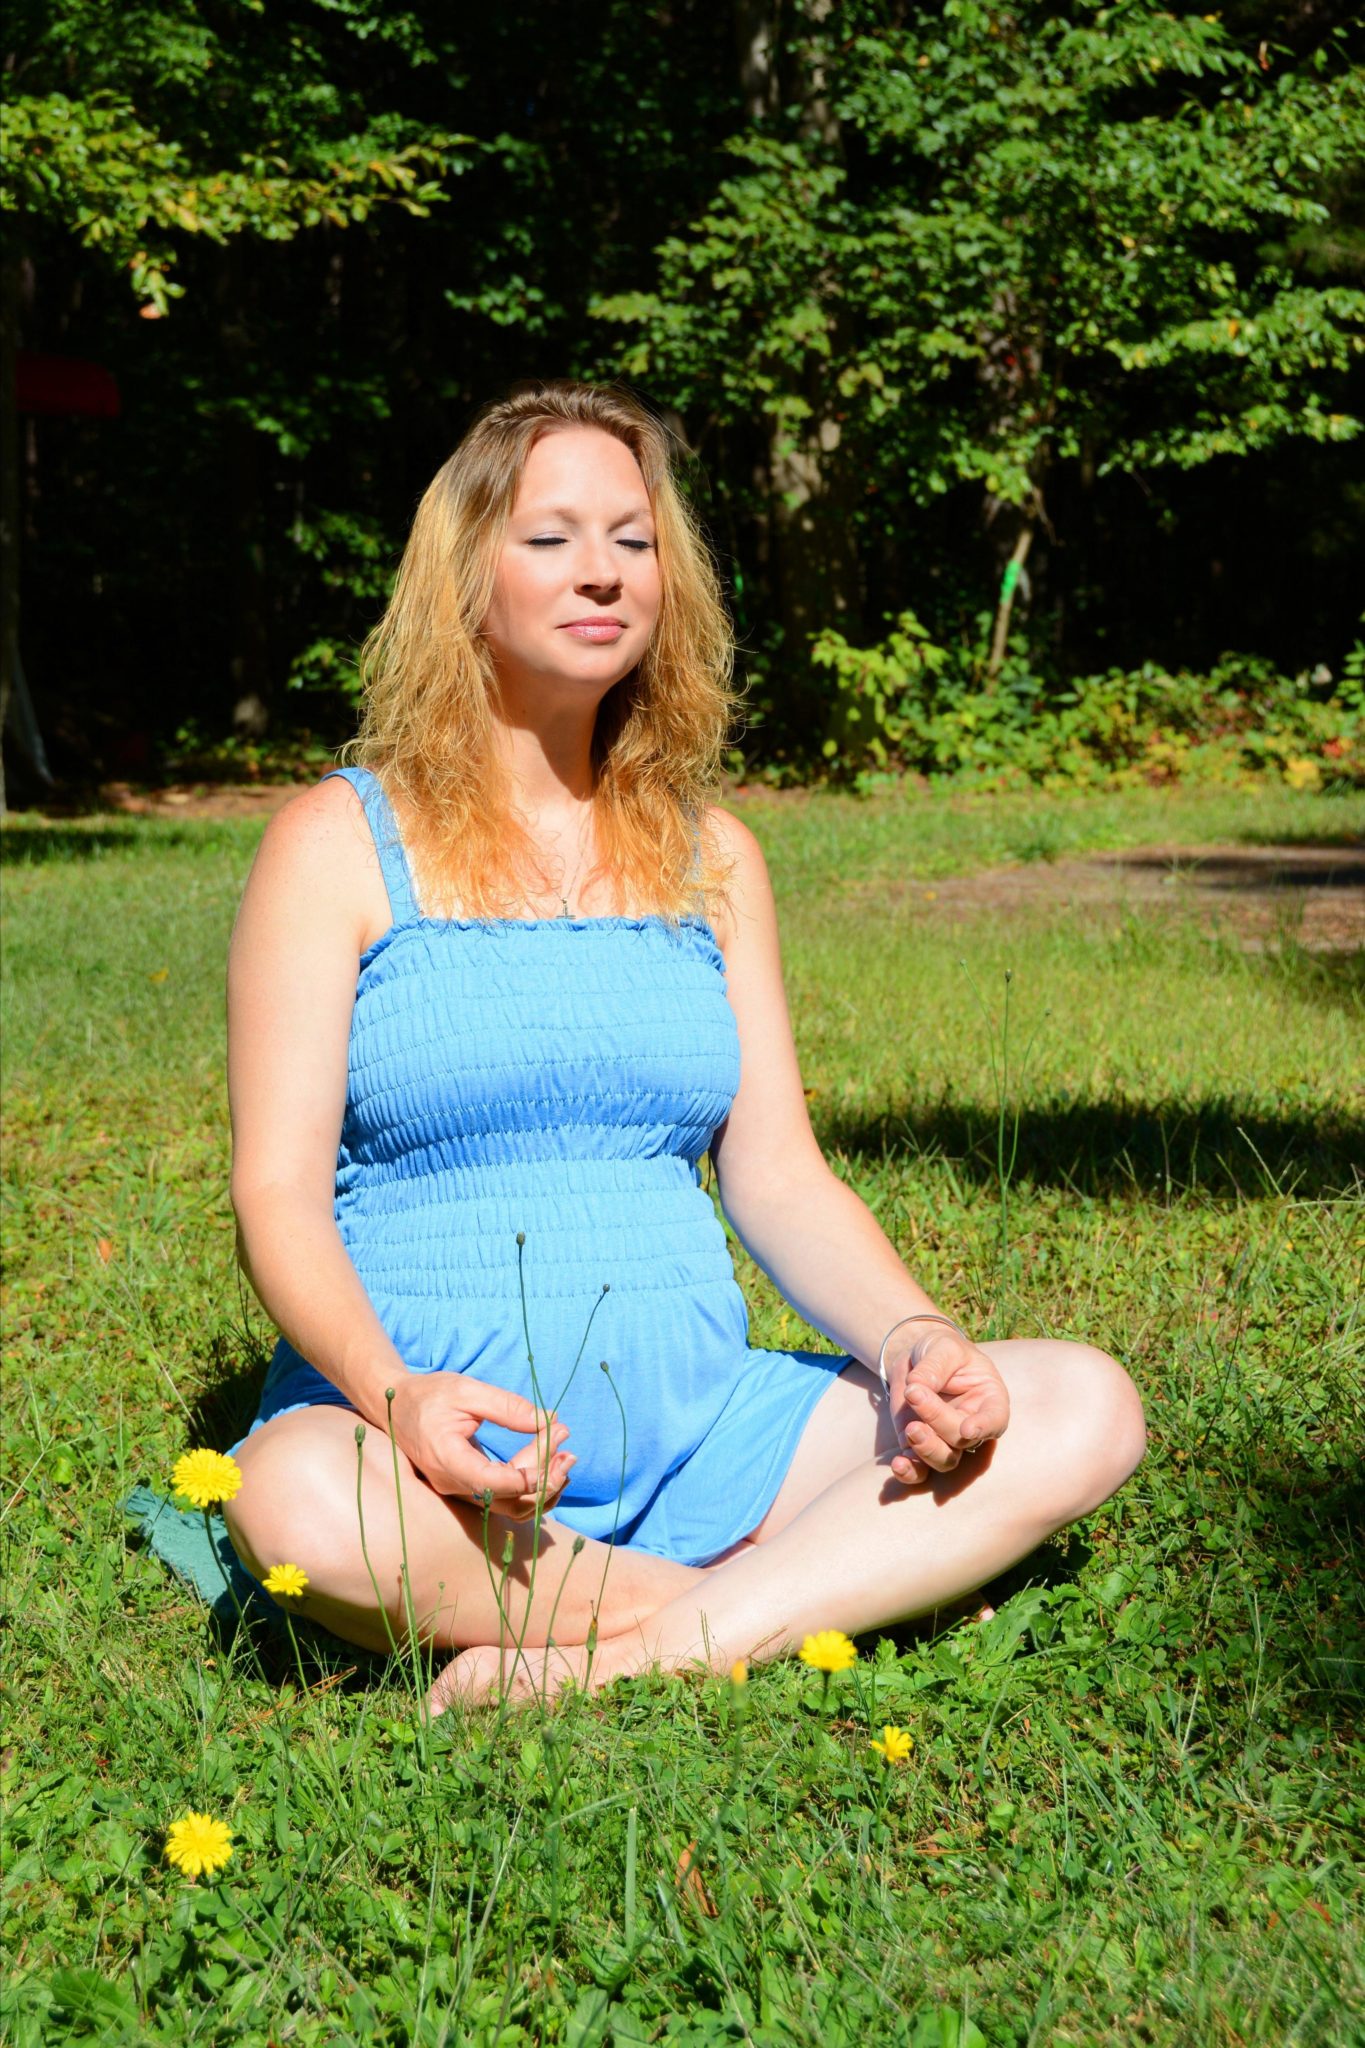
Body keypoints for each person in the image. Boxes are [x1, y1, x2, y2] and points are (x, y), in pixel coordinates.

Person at [224, 380, 1145, 1708]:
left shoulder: (712, 858)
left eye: (633, 538)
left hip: (712, 1434)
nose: (601, 571)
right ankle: (803, 1595)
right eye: (549, 538)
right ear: (463, 577)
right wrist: (397, 1394)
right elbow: (275, 1194)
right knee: (296, 1500)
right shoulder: (334, 844)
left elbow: (773, 1173)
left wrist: (912, 1342)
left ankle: (634, 1652)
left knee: (1079, 1404)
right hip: (430, 1458)